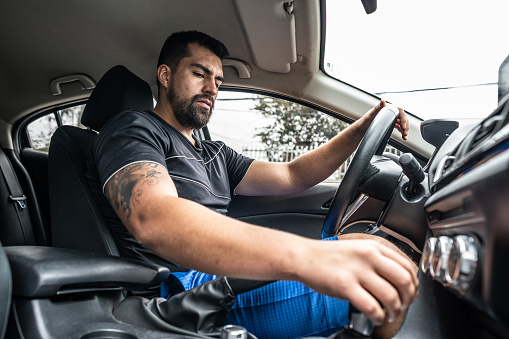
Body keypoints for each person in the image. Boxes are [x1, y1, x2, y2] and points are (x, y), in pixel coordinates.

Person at [86, 31, 418, 338]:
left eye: (217, 80)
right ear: (165, 75)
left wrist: (363, 127)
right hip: (178, 288)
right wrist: (305, 256)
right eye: (199, 74)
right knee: (382, 279)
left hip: (219, 272)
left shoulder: (214, 152)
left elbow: (292, 175)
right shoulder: (132, 130)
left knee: (376, 252)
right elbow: (153, 218)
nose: (212, 88)